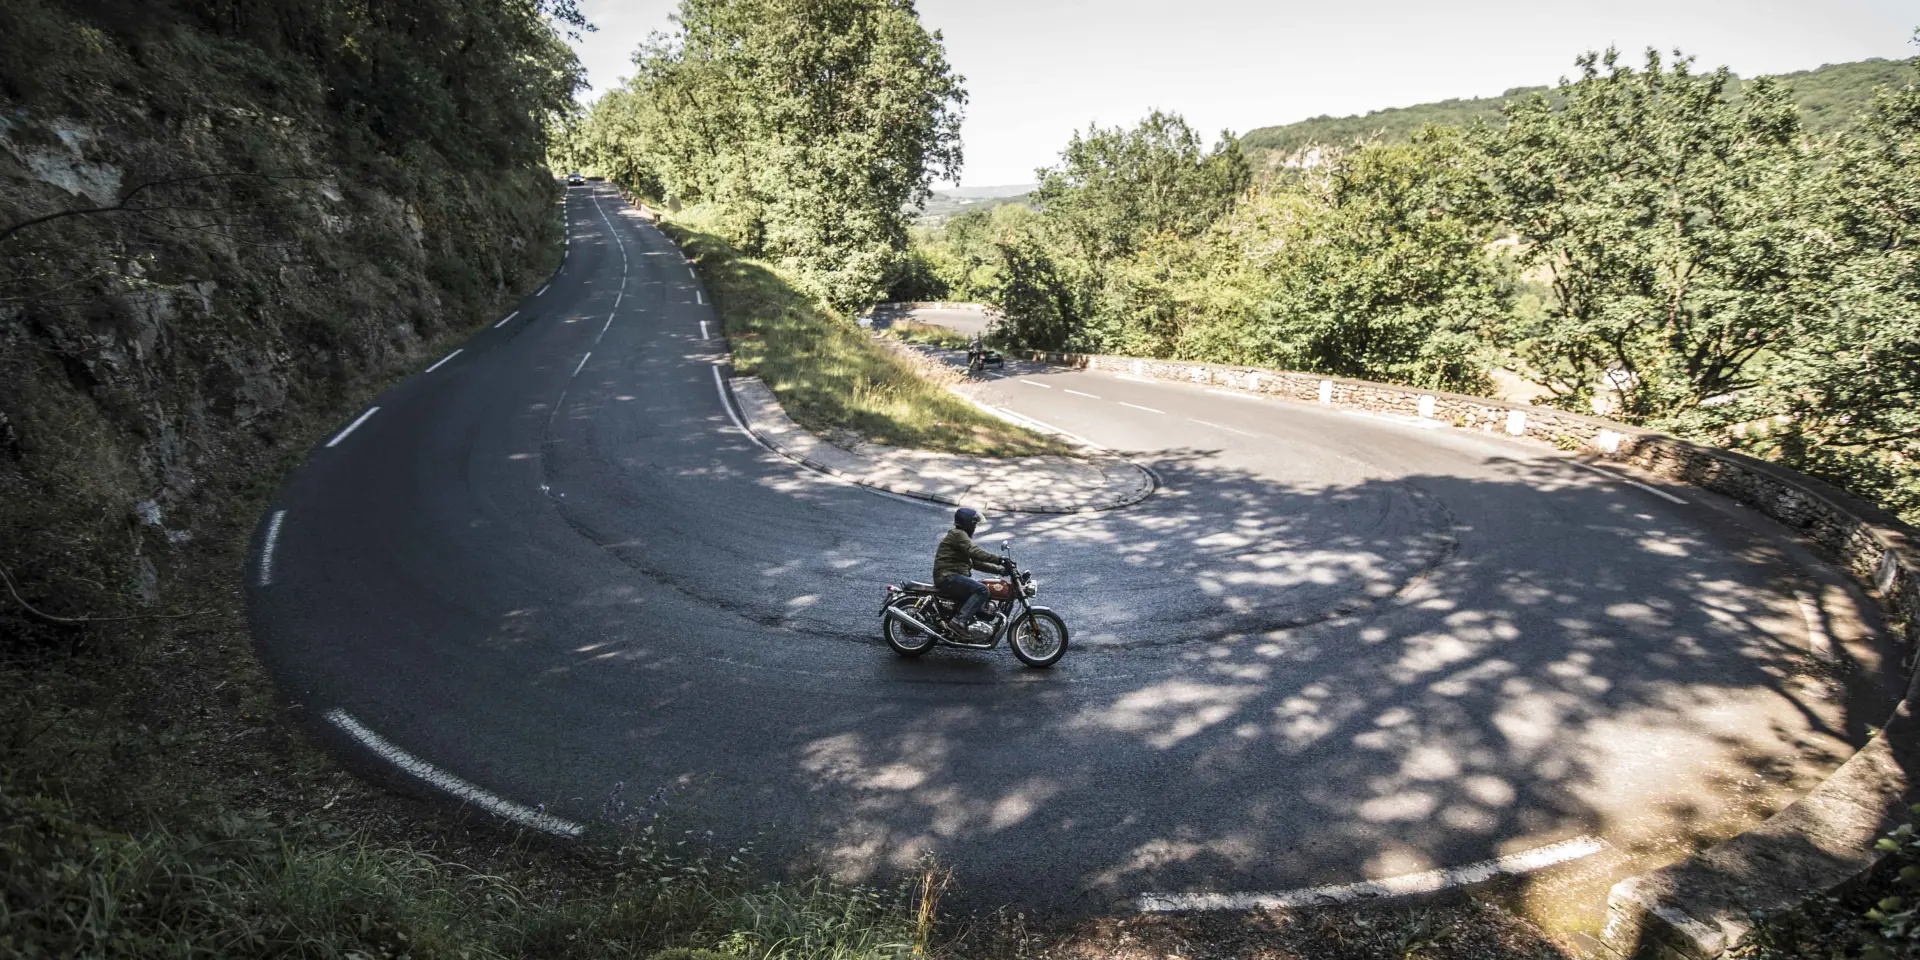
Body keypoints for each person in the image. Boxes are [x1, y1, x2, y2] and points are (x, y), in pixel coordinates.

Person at [934, 507, 1010, 636]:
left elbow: (975, 563)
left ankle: (966, 621)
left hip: (951, 576)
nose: (975, 527)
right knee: (982, 590)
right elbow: (975, 552)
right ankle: (958, 622)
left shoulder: (960, 536)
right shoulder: (958, 534)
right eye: (974, 524)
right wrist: (999, 559)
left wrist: (1000, 570)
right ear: (967, 523)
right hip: (948, 576)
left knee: (980, 588)